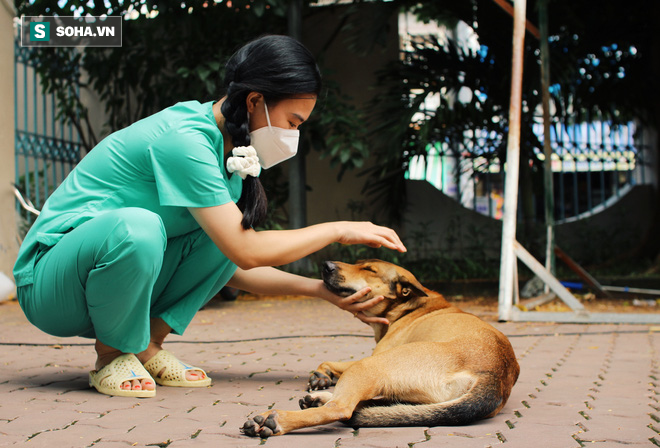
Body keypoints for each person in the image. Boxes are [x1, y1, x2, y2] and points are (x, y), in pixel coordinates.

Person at [13, 35, 406, 398]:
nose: (292, 135)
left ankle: (147, 345)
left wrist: (320, 291)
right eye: (292, 122)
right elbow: (247, 250)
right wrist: (338, 229)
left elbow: (231, 260)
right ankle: (112, 354)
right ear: (255, 101)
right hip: (52, 286)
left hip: (106, 289)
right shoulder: (185, 140)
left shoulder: (228, 154)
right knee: (139, 227)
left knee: (220, 234)